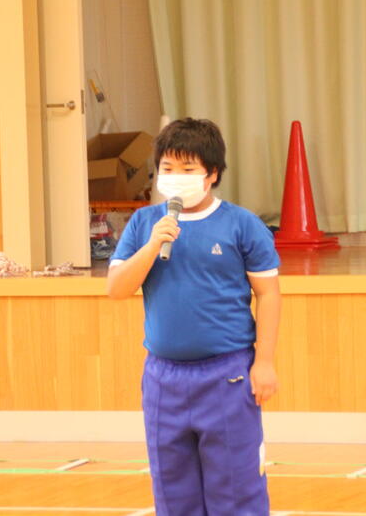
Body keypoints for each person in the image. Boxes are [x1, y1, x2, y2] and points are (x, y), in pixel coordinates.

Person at [107, 118, 281, 515]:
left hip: (227, 375)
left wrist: (265, 362)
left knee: (235, 493)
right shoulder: (145, 223)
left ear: (212, 173)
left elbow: (268, 294)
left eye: (188, 169)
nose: (176, 177)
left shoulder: (242, 224)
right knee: (173, 494)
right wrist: (152, 245)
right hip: (162, 378)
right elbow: (116, 289)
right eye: (167, 168)